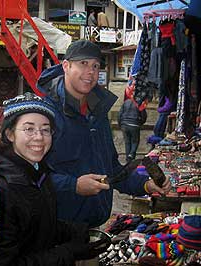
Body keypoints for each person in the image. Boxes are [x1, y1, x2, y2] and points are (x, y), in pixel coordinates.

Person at [36, 40, 171, 229]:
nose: (90, 72)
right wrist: (73, 185)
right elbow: (31, 176)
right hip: (56, 229)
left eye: (95, 66)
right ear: (66, 66)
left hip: (92, 228)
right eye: (83, 63)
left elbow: (112, 171)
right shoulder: (45, 115)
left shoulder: (97, 114)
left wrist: (146, 185)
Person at [0, 92, 108, 265]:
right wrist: (67, 253)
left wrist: (76, 231)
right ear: (10, 134)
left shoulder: (38, 172)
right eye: (29, 129)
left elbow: (35, 226)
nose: (39, 137)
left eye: (45, 129)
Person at [118, 96, 147, 162]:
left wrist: (120, 124)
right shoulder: (140, 103)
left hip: (124, 124)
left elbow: (119, 114)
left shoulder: (126, 102)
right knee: (135, 141)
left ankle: (128, 158)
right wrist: (140, 123)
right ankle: (131, 154)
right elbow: (144, 116)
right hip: (135, 124)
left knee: (127, 142)